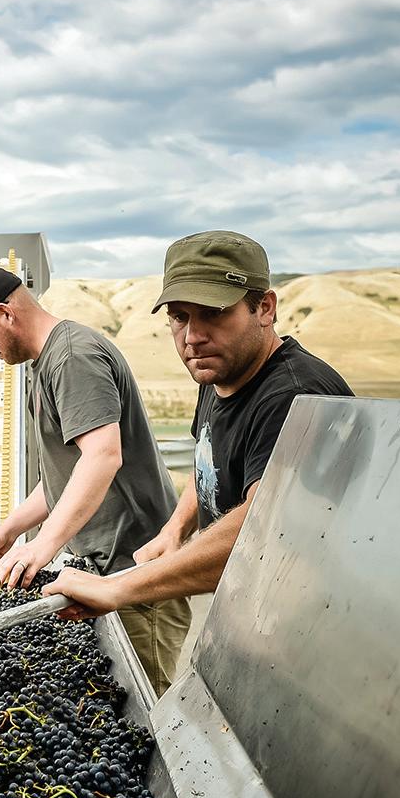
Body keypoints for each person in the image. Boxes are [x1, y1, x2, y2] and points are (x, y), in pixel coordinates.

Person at [46, 230, 353, 630]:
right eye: (180, 317)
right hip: (255, 609)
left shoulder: (294, 396)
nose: (193, 337)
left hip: (313, 626)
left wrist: (118, 589)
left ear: (265, 308)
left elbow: (265, 527)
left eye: (213, 313)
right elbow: (208, 462)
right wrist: (175, 530)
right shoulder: (220, 373)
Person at [0, 266, 190, 694]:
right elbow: (62, 477)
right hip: (103, 574)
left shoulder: (73, 358)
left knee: (146, 707)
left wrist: (43, 545)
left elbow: (102, 457)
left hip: (135, 572)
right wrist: (10, 530)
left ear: (5, 314)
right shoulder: (47, 364)